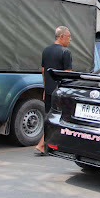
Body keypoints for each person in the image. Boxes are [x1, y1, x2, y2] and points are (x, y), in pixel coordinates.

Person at [35, 26, 72, 155]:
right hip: (60, 91)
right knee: (59, 118)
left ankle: (48, 144)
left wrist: (45, 88)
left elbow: (43, 71)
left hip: (49, 89)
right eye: (68, 36)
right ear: (61, 36)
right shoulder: (65, 52)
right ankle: (42, 145)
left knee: (48, 117)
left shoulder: (46, 50)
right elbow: (67, 75)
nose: (70, 39)